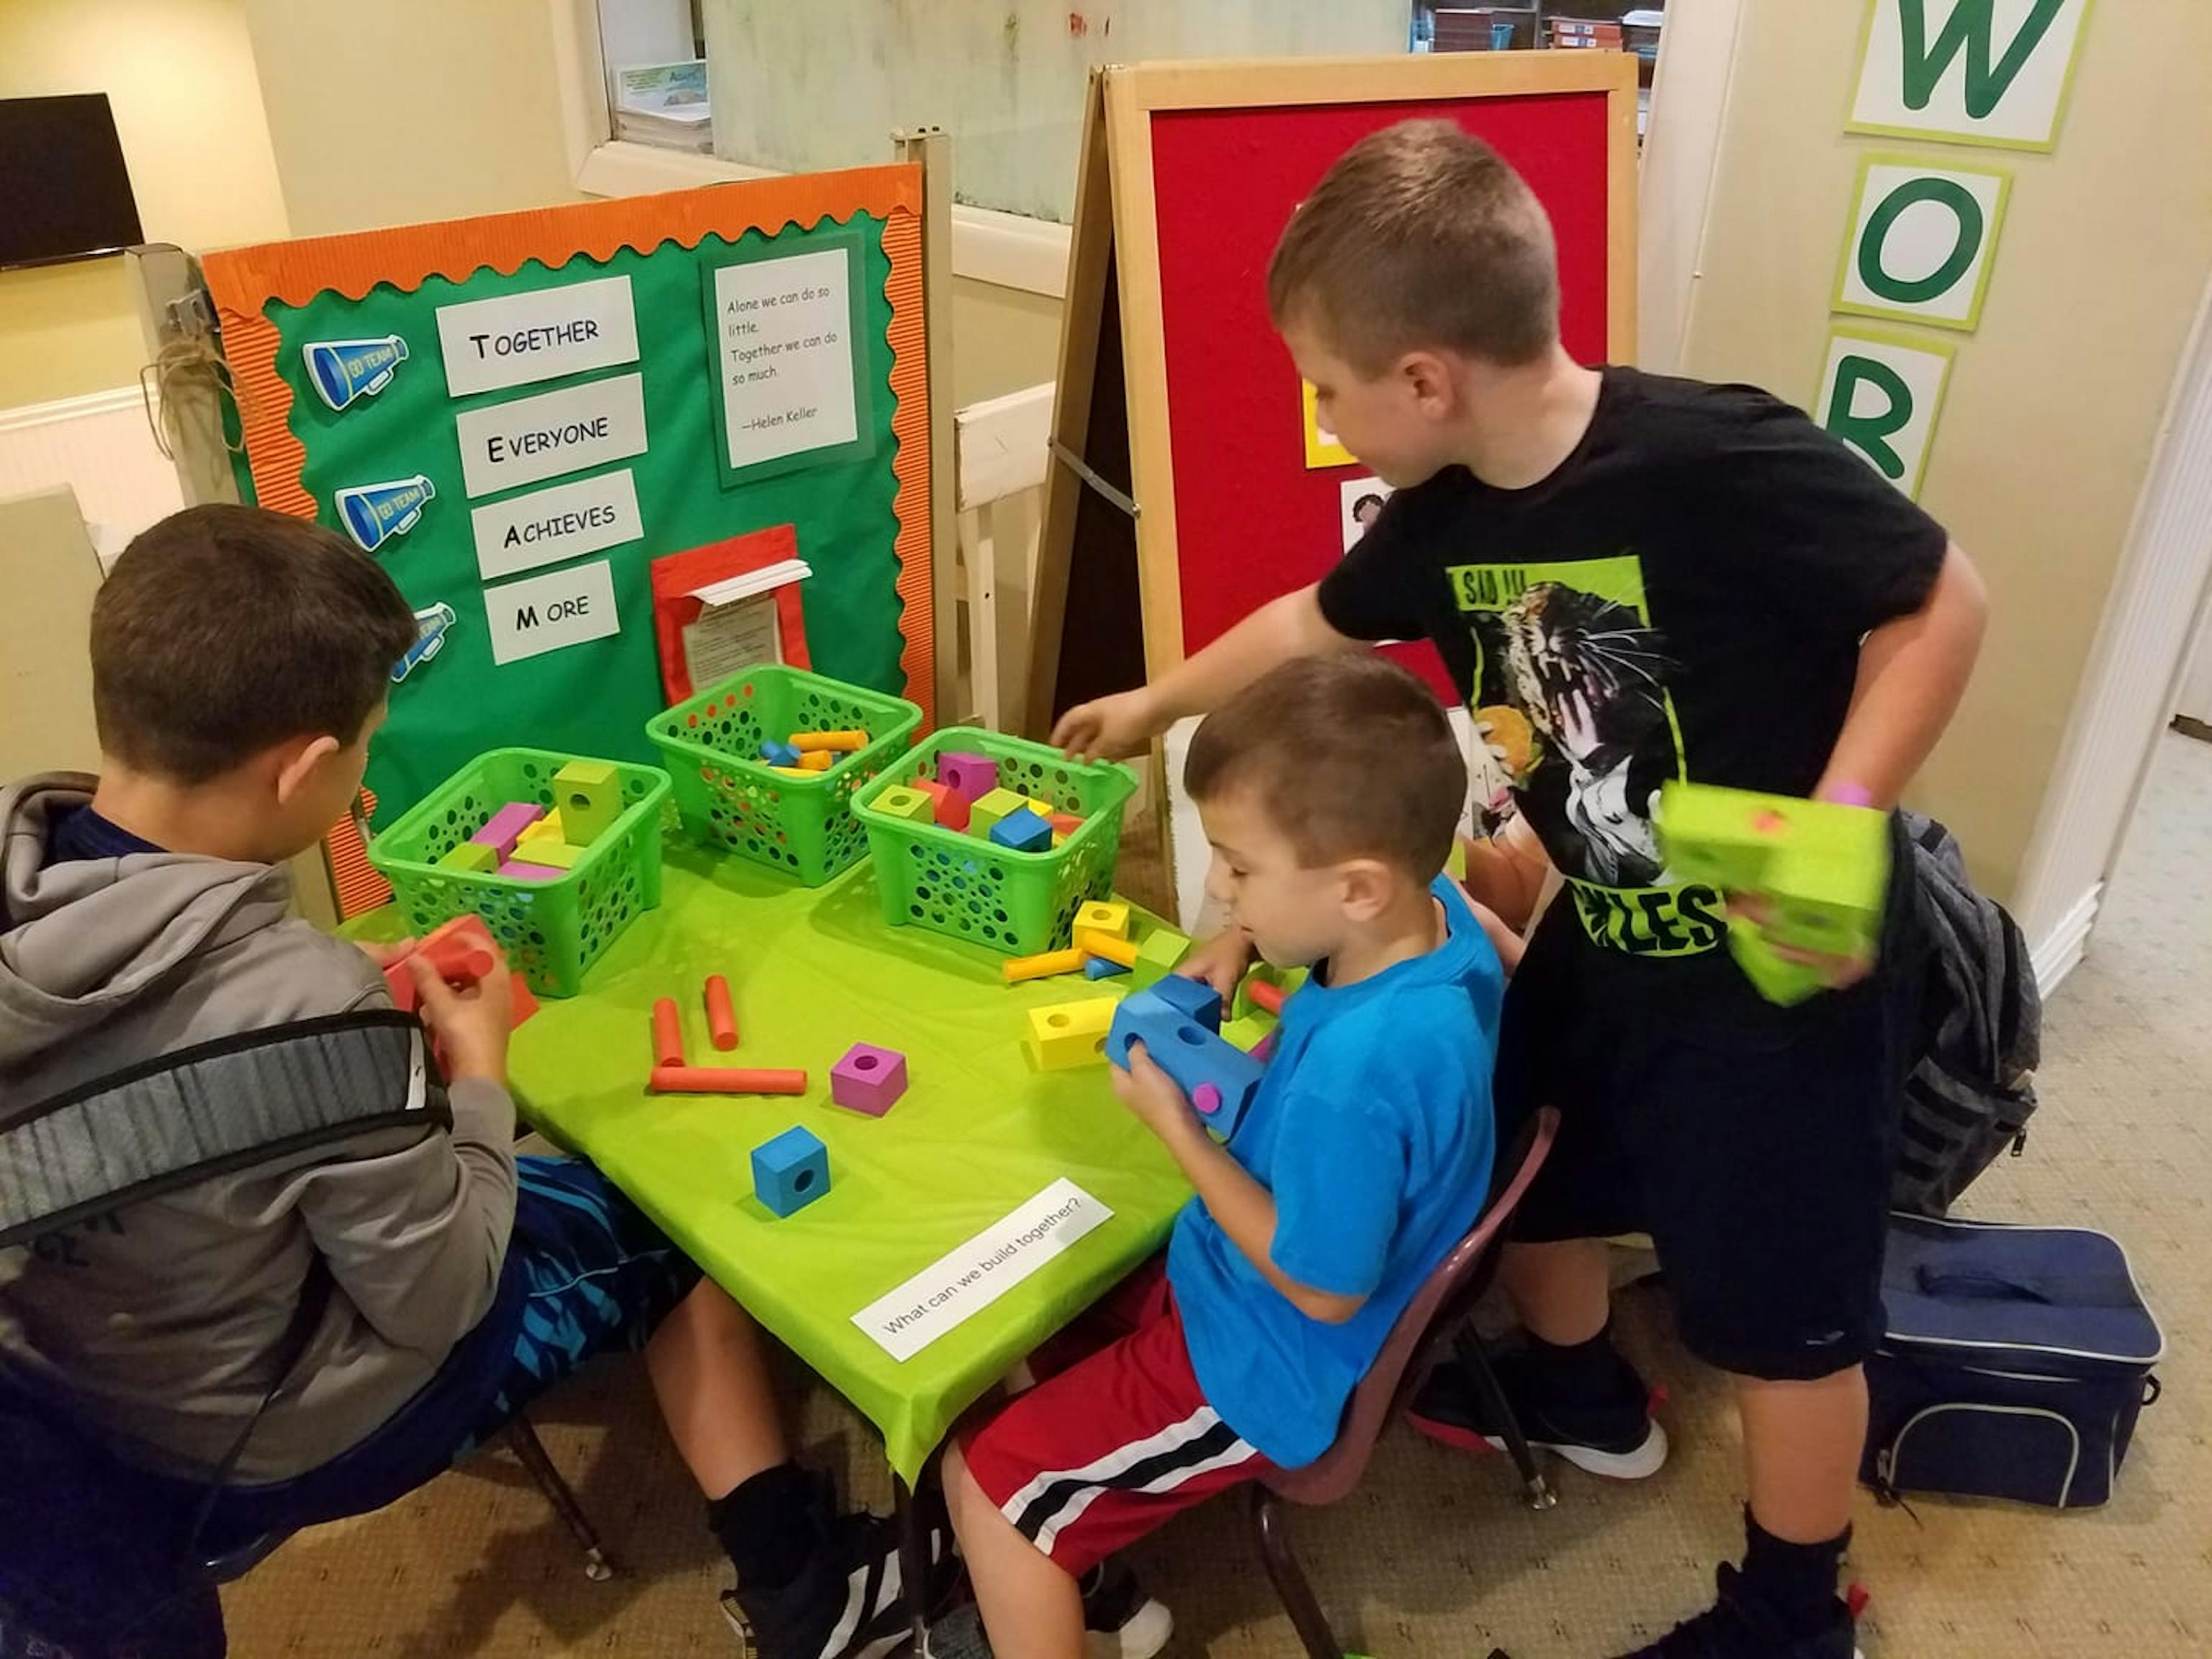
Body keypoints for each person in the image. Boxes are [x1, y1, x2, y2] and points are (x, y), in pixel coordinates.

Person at [1051, 121, 1988, 1659]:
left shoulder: (1711, 457)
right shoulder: (1448, 517)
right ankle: (1578, 1392)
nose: (1322, 419)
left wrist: (1842, 816)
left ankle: (1792, 1614)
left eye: (1327, 390)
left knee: (1784, 1316)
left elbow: (1942, 600)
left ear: (1426, 380)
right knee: (1529, 1149)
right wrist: (1154, 700)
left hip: (1780, 984)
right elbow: (1309, 622)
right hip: (1606, 935)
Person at [0, 505, 938, 1658]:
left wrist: (332, 1020)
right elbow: (444, 1293)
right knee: (670, 1221)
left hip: (68, 1394)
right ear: (304, 769)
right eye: (364, 749)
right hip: (265, 1431)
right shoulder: (308, 1006)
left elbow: (172, 1060)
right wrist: (480, 1075)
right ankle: (805, 1594)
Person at [936, 653, 1501, 1659]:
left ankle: (1044, 1554)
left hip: (1263, 1360)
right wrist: (1246, 937)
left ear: (1357, 889)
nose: (1213, 885)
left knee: (984, 1489)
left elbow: (1324, 1290)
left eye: (1239, 869)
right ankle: (1094, 1578)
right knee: (1005, 1336)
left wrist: (1177, 1131)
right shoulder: (1440, 919)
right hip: (1228, 1284)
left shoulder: (1355, 1076)